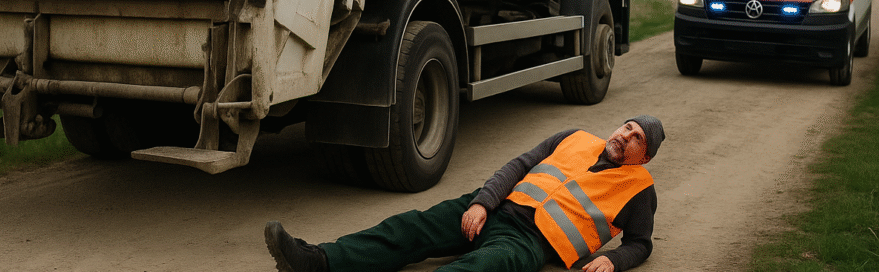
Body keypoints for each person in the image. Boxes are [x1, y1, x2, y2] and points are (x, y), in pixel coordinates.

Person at [265, 115, 665, 272]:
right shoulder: (575, 137)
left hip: (529, 241)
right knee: (409, 228)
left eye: (636, 139)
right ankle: (317, 260)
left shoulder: (639, 190)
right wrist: (481, 202)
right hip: (495, 208)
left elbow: (641, 243)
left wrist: (613, 262)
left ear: (643, 157)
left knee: (476, 269)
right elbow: (517, 166)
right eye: (626, 127)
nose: (624, 136)